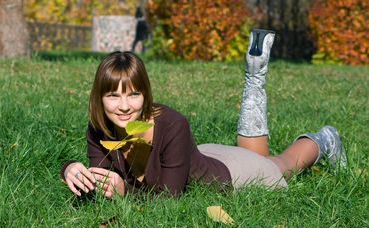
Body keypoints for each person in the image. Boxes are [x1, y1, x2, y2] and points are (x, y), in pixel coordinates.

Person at [60, 29, 347, 198]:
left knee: (278, 164)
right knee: (263, 155)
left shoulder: (172, 124)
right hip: (198, 156)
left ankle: (325, 140)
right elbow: (105, 179)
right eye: (113, 96)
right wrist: (72, 169)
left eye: (133, 94)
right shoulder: (99, 127)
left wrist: (124, 192)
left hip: (230, 175)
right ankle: (255, 74)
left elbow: (170, 200)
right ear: (99, 98)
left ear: (146, 93)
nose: (123, 106)